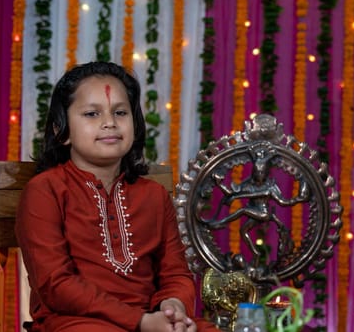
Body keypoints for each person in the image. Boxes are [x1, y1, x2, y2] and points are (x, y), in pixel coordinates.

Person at [15, 62, 219, 332]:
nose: (109, 122)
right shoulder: (45, 191)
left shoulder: (154, 196)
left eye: (120, 112)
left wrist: (173, 309)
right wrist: (140, 322)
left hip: (151, 319)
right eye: (91, 114)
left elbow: (175, 273)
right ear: (60, 130)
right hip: (75, 322)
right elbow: (56, 284)